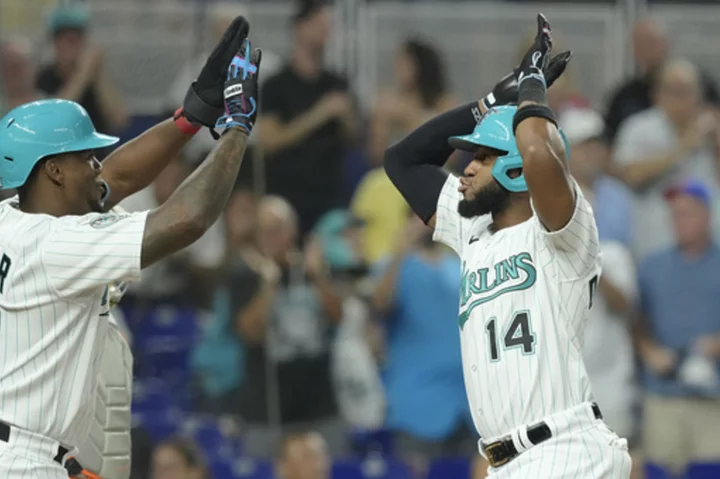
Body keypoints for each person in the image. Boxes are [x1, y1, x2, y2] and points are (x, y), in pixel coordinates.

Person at [0, 16, 260, 479]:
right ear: (53, 172)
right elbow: (188, 219)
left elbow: (114, 179)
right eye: (84, 156)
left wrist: (191, 116)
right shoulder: (55, 244)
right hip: (24, 460)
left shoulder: (15, 216)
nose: (96, 163)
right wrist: (237, 129)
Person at [383, 14, 631, 478]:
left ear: (516, 170)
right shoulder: (472, 231)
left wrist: (534, 85)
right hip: (508, 461)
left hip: (566, 448)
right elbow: (403, 160)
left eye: (482, 156)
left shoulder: (563, 231)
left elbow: (538, 149)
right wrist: (496, 100)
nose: (466, 168)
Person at [370, 214, 475, 469]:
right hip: (418, 405)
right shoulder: (392, 265)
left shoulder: (457, 264)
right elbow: (379, 305)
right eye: (420, 217)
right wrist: (400, 250)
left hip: (467, 405)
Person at [634, 179, 720, 476]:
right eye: (675, 214)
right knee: (659, 469)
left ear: (707, 216)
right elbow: (636, 322)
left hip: (713, 397)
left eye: (687, 214)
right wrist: (649, 350)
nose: (679, 221)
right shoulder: (652, 266)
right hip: (663, 393)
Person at [257, 0, 356, 236]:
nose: (325, 30)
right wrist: (319, 114)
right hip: (287, 197)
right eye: (319, 23)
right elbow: (269, 142)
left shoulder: (337, 83)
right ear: (300, 27)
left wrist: (347, 116)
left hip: (330, 200)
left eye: (328, 24)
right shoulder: (276, 85)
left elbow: (354, 138)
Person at [613, 59, 718, 260]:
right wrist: (683, 148)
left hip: (707, 242)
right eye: (674, 91)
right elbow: (630, 175)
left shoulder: (709, 128)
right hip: (655, 237)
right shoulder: (639, 127)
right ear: (657, 95)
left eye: (688, 91)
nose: (682, 99)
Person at [36, 3, 129, 136]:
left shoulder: (94, 76)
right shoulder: (44, 77)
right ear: (54, 42)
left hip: (98, 153)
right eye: (65, 39)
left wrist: (97, 75)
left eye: (75, 39)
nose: (70, 45)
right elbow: (54, 120)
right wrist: (82, 75)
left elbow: (119, 121)